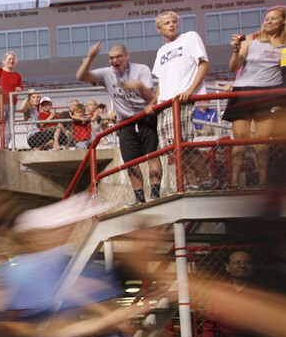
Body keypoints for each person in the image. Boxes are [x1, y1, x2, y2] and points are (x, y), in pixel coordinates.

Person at [75, 41, 161, 204]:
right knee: (130, 162)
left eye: (118, 57)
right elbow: (81, 76)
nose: (115, 61)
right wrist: (90, 58)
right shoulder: (107, 73)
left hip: (145, 116)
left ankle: (155, 194)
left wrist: (139, 85)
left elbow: (148, 94)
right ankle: (139, 197)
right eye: (111, 58)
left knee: (152, 155)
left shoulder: (141, 69)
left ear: (127, 56)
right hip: (124, 122)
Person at [224, 6, 286, 189]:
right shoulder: (251, 39)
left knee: (262, 144)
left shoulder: (285, 46)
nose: (269, 21)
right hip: (244, 92)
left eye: (274, 18)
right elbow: (234, 67)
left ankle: (264, 183)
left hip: (269, 94)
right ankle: (234, 183)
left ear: (283, 21)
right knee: (240, 143)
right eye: (267, 18)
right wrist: (236, 51)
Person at [149, 11, 210, 192]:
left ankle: (206, 179)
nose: (171, 25)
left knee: (182, 142)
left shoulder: (190, 37)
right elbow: (161, 80)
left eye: (173, 22)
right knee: (171, 148)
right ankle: (192, 183)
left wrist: (190, 91)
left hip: (181, 99)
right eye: (166, 23)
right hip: (165, 103)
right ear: (159, 28)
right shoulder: (161, 51)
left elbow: (204, 64)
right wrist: (153, 102)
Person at [0, 51, 23, 149]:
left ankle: (5, 147)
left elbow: (20, 87)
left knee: (9, 128)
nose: (11, 61)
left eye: (13, 59)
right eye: (9, 59)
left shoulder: (17, 75)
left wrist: (19, 89)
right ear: (4, 61)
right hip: (1, 103)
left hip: (12, 104)